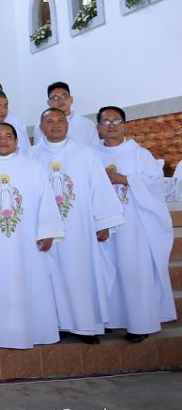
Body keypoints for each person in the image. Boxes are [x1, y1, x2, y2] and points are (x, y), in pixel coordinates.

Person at [32, 108, 124, 343]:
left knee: (80, 273)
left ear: (68, 124)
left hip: (79, 228)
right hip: (44, 229)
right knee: (48, 275)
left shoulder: (86, 154)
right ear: (40, 127)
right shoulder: (31, 156)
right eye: (49, 121)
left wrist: (102, 222)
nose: (55, 125)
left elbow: (99, 189)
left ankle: (85, 327)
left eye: (60, 121)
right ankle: (55, 325)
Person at [96, 106, 176, 342]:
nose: (111, 126)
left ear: (124, 125)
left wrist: (124, 179)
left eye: (116, 121)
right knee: (105, 271)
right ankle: (111, 319)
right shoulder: (91, 154)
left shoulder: (140, 154)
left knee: (134, 272)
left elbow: (156, 185)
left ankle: (139, 324)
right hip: (102, 225)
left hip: (134, 225)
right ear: (98, 127)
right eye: (106, 122)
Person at [0, 123, 65, 349]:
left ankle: (34, 331)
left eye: (9, 136)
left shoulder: (32, 167)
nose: (3, 140)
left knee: (31, 282)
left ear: (17, 141)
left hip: (27, 240)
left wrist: (47, 231)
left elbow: (45, 200)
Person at [33, 82, 99, 146]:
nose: (60, 100)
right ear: (49, 103)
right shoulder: (41, 126)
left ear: (71, 99)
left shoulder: (89, 125)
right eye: (55, 98)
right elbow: (39, 151)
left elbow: (95, 151)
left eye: (64, 96)